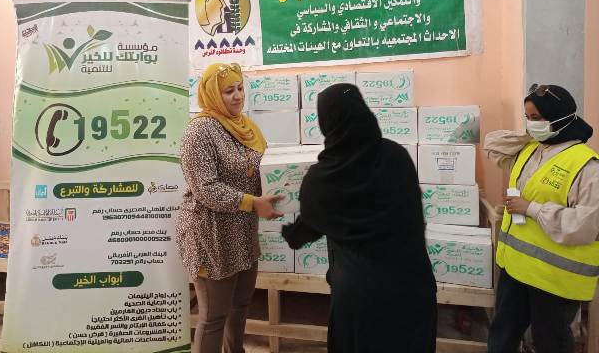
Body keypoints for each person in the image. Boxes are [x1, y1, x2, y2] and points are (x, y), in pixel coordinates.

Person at [281, 83, 437, 353]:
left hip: (361, 301)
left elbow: (302, 234)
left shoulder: (321, 180)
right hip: (412, 287)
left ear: (326, 123)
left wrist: (283, 225)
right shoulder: (397, 157)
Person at [175, 62, 283, 353]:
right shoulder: (199, 132)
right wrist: (252, 202)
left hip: (242, 232)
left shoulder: (245, 127)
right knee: (214, 316)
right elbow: (206, 189)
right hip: (211, 234)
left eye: (240, 88)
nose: (238, 96)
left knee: (241, 305)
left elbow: (259, 170)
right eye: (228, 91)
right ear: (212, 94)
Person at [484, 83, 599, 353]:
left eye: (536, 118)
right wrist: (531, 133)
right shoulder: (531, 150)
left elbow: (586, 226)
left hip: (555, 279)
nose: (531, 124)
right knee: (502, 334)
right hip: (516, 269)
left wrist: (532, 209)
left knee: (550, 342)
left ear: (560, 117)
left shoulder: (587, 166)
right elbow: (493, 144)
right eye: (527, 117)